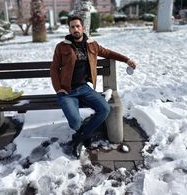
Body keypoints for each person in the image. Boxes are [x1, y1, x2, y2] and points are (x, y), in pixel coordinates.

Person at [50, 16, 136, 158]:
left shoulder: (92, 45)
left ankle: (81, 137)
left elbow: (108, 53)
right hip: (67, 91)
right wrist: (58, 88)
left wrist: (127, 59)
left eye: (78, 26)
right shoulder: (61, 46)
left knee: (105, 109)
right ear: (69, 29)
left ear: (83, 28)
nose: (75, 29)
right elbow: (54, 69)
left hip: (84, 88)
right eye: (72, 27)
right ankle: (84, 133)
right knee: (75, 123)